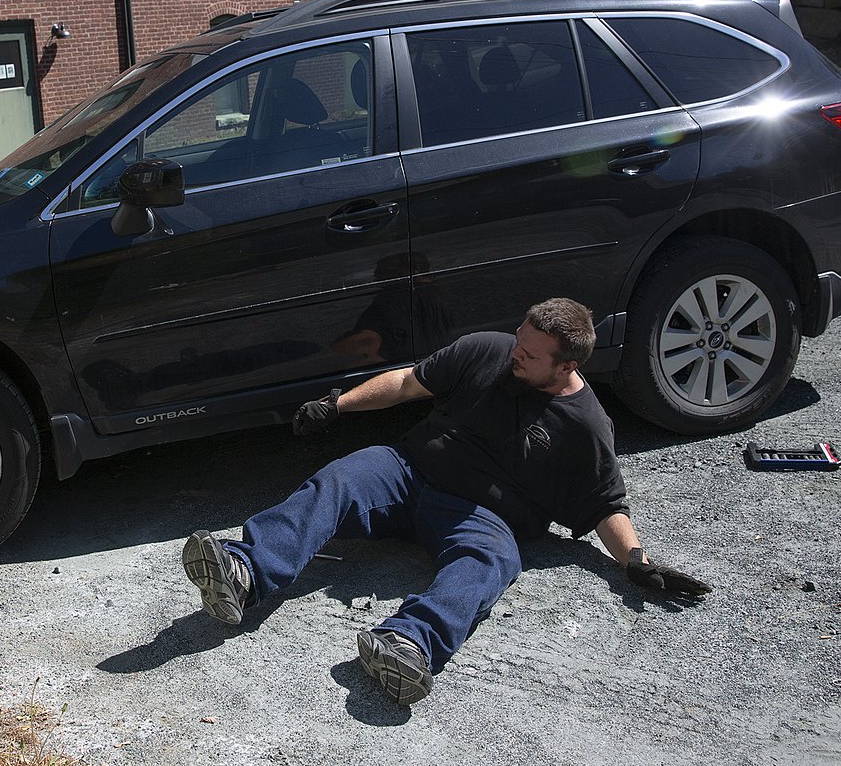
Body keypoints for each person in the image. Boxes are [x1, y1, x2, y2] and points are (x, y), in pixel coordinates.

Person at [181, 297, 710, 705]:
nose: (515, 354)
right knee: (343, 478)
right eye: (518, 341)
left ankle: (408, 645)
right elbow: (410, 382)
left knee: (493, 560)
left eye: (528, 354)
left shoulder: (587, 427)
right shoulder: (488, 349)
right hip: (409, 474)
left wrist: (635, 561)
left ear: (565, 365)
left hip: (482, 517)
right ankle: (245, 572)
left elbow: (605, 505)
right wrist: (336, 405)